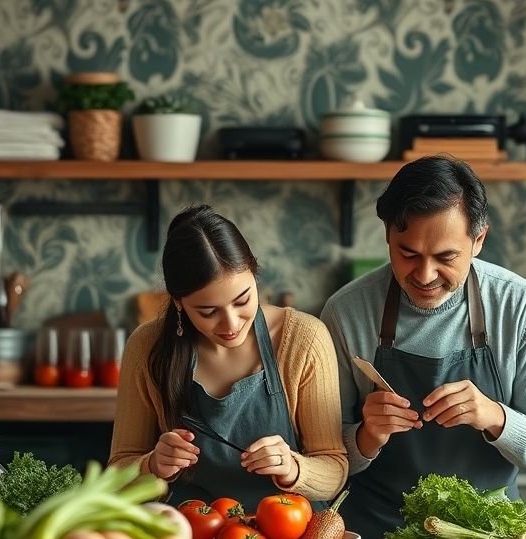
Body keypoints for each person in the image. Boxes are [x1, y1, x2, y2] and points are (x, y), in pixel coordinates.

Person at [320, 155, 526, 539]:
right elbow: (319, 456)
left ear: (478, 241)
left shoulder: (521, 307)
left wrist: (495, 417)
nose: (424, 276)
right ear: (388, 234)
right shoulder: (346, 311)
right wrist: (365, 436)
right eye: (408, 254)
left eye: (446, 257)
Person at [109, 205, 348, 508]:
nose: (231, 324)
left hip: (287, 538)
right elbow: (116, 474)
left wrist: (294, 467)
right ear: (178, 303)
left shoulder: (304, 338)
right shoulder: (146, 347)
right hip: (190, 537)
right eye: (208, 312)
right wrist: (152, 465)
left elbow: (336, 469)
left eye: (243, 300)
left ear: (255, 274)